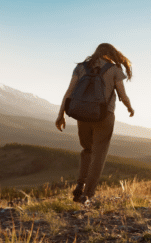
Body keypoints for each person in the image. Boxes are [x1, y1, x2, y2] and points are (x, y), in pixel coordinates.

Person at [56, 43, 134, 205]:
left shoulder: (81, 68)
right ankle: (87, 194)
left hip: (82, 114)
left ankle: (80, 183)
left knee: (87, 150)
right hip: (104, 116)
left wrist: (60, 115)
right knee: (99, 155)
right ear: (111, 53)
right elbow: (122, 95)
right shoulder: (114, 70)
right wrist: (129, 108)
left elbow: (69, 92)